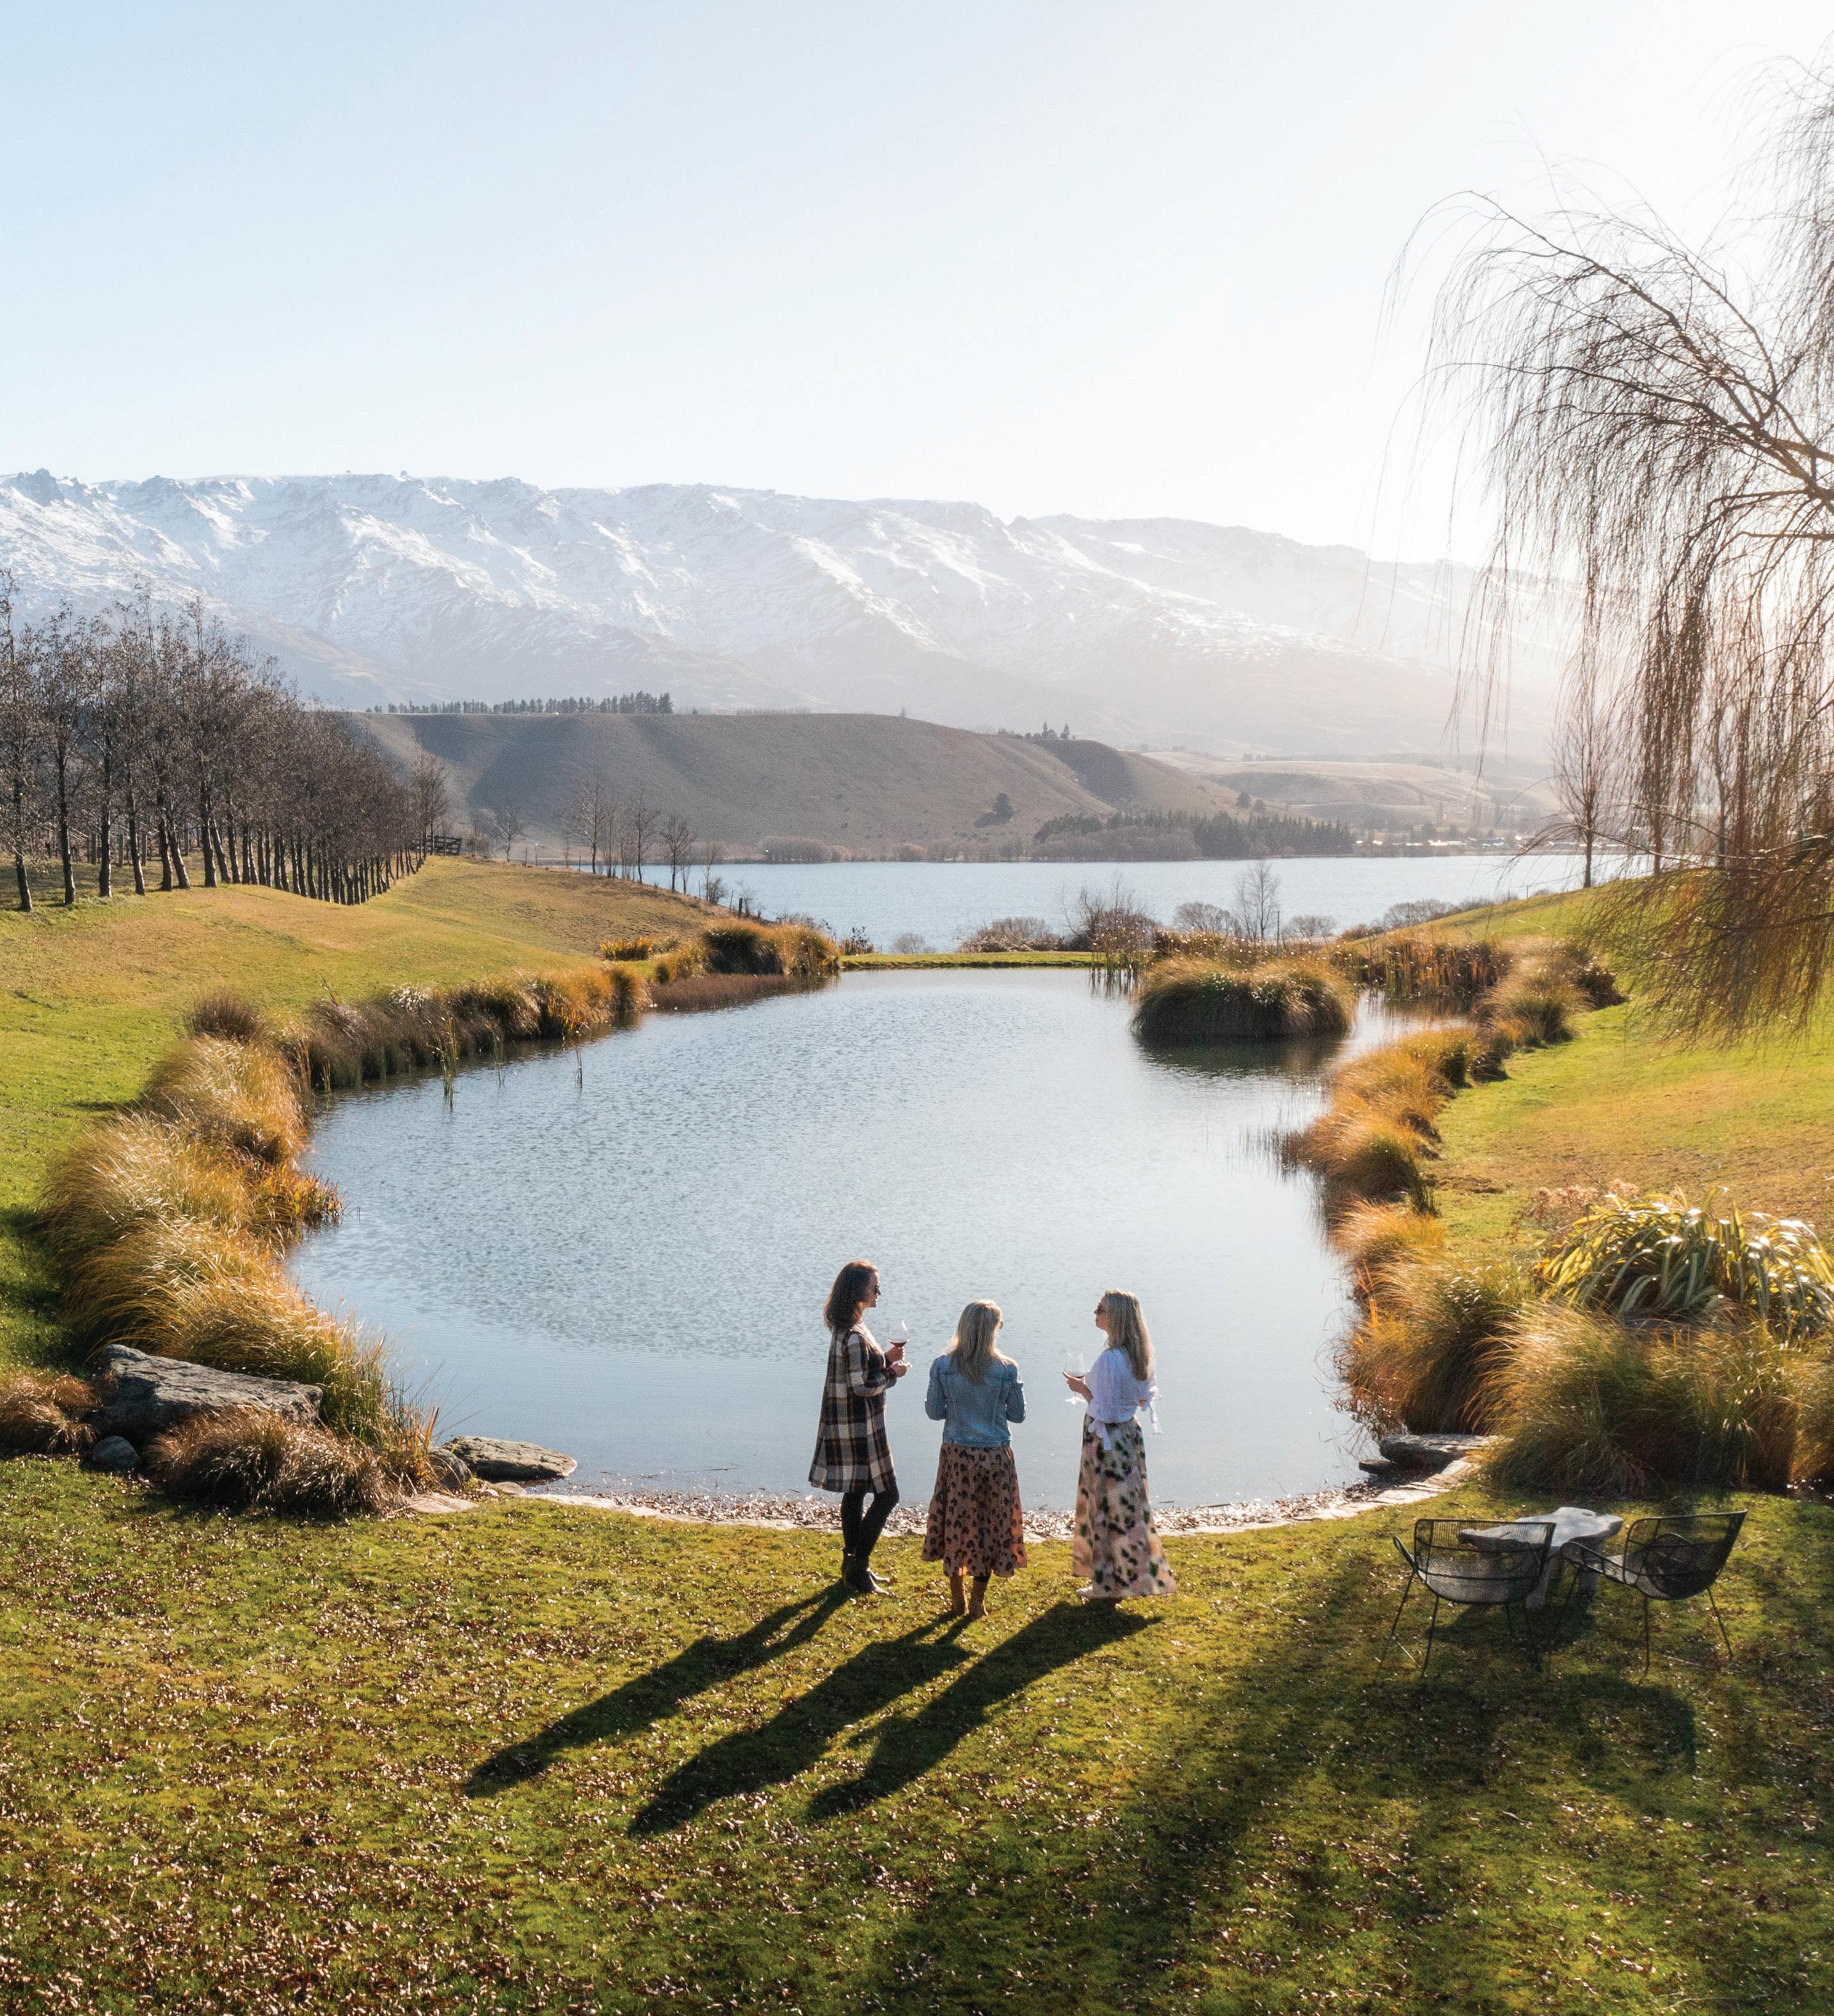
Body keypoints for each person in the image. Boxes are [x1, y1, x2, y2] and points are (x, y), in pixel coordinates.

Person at [1063, 1289, 1176, 1605]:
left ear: (1116, 1318)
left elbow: (1105, 1411)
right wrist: (1097, 1388)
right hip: (1128, 1436)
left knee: (1102, 1510)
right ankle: (1130, 1577)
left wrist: (1081, 1388)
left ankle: (1105, 1584)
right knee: (1128, 1509)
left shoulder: (1110, 1359)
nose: (1095, 1313)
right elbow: (1140, 1399)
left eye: (1100, 1309)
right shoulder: (1141, 1353)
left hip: (1105, 1443)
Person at [921, 1299, 1028, 1618]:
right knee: (991, 1528)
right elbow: (1018, 1415)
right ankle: (978, 1601)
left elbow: (934, 1412)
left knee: (955, 1524)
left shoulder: (942, 1366)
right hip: (995, 1456)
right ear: (993, 1330)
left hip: (958, 1457)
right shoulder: (1007, 1369)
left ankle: (958, 1599)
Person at [809, 1258, 907, 1594]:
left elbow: (860, 1368)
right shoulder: (853, 1334)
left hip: (849, 1424)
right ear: (857, 1290)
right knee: (888, 1495)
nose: (879, 1292)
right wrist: (892, 1374)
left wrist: (884, 1358)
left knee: (855, 1493)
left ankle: (853, 1568)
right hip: (860, 1428)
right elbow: (861, 1386)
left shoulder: (848, 1327)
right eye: (874, 1287)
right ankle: (858, 1565)